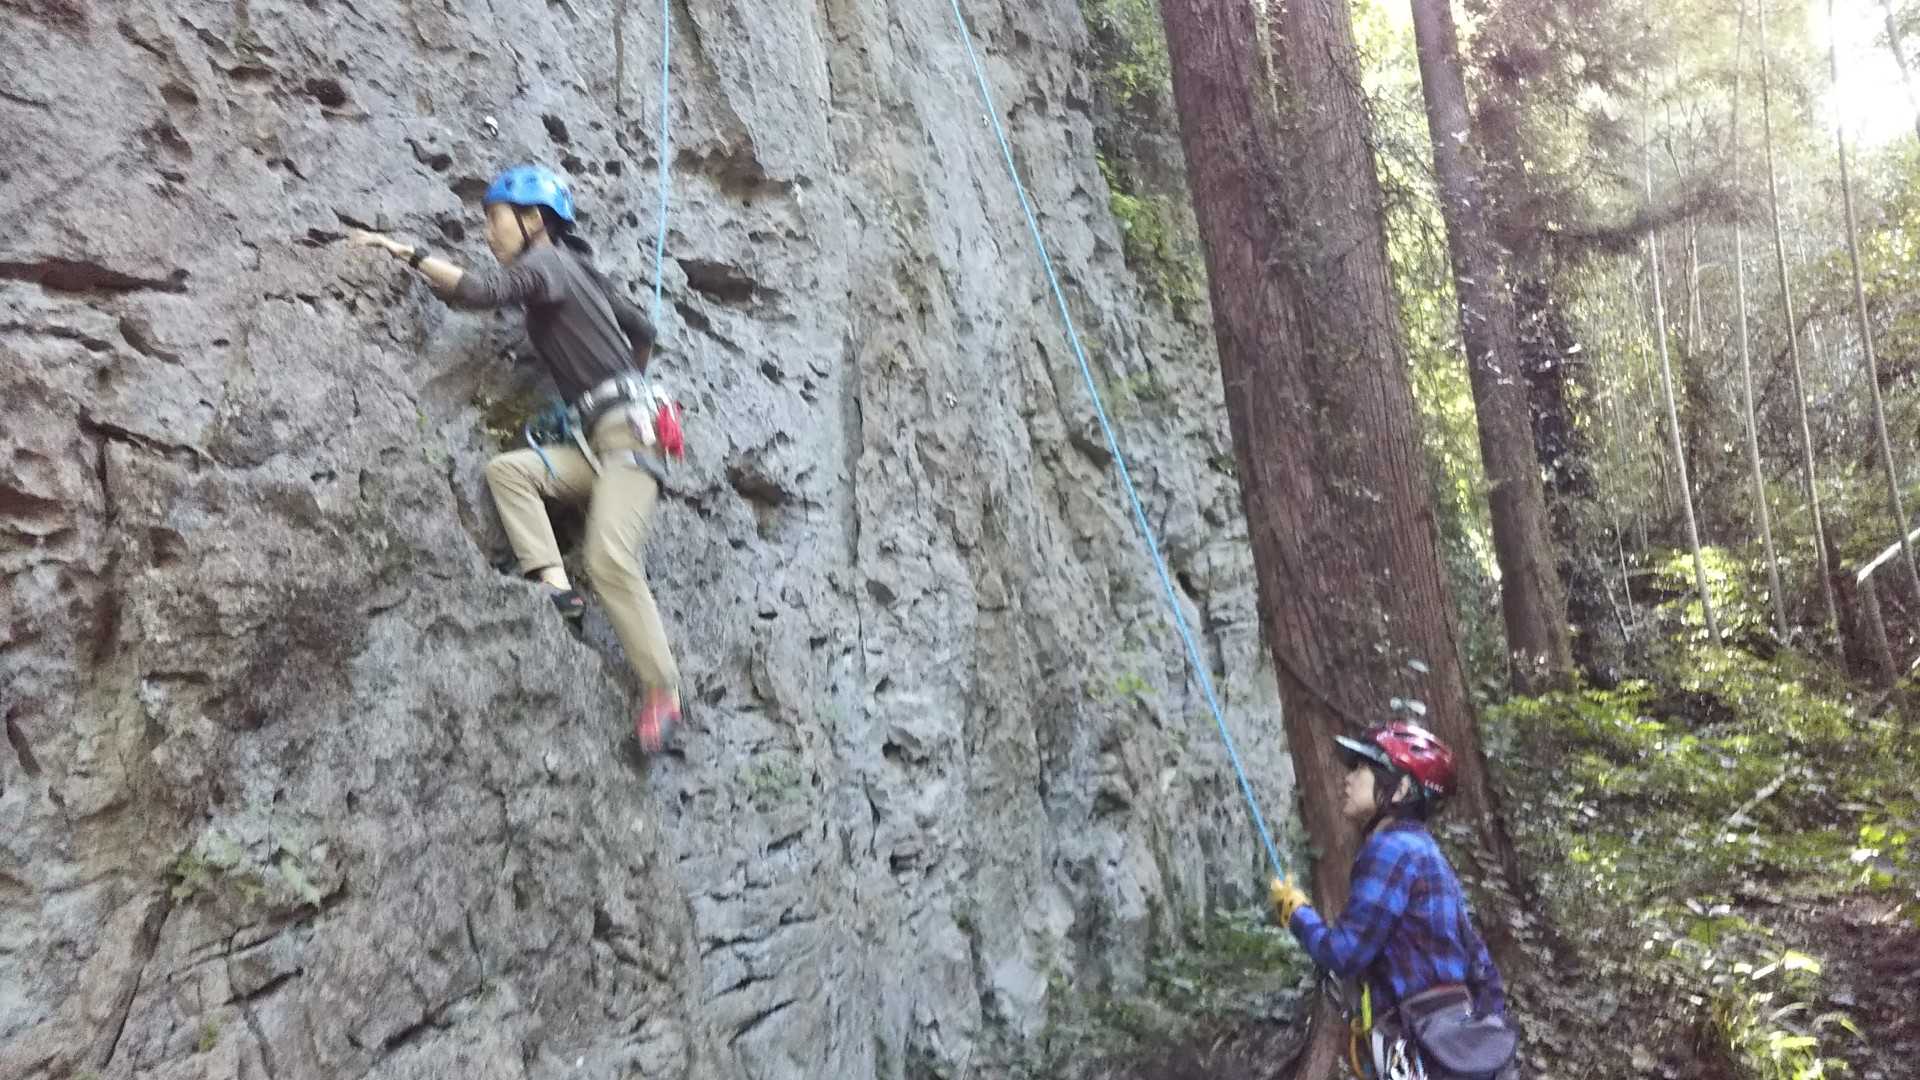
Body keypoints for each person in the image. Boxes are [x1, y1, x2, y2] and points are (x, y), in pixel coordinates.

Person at [350, 164, 684, 754]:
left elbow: (482, 293)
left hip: (631, 441)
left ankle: (664, 692)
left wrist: (406, 253)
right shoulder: (579, 269)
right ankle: (557, 589)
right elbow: (644, 328)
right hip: (598, 445)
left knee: (609, 557)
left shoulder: (547, 264)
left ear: (532, 220)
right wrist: (620, 378)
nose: (488, 233)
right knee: (509, 473)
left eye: (495, 219)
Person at [1269, 721, 1516, 1079]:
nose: (1348, 779)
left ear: (1400, 789)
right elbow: (1480, 964)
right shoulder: (1428, 853)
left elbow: (1345, 953)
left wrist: (1297, 914)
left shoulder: (1390, 850)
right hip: (1455, 1038)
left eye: (1362, 768)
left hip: (1419, 1041)